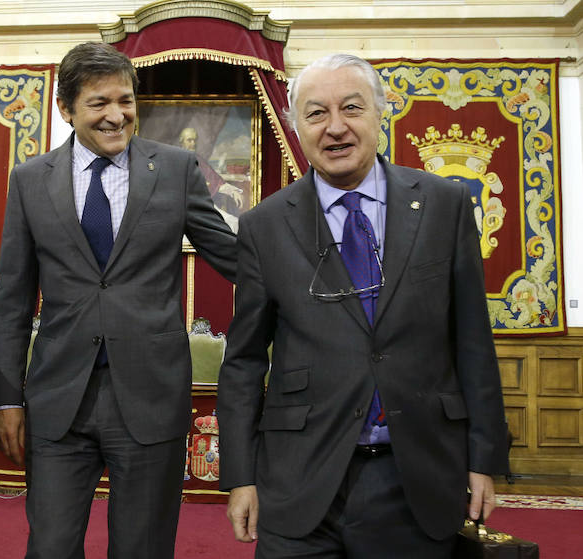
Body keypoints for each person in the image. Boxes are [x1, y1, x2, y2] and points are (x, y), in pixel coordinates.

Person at [217, 53, 509, 558]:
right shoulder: (264, 226)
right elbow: (243, 363)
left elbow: (473, 343)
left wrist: (484, 458)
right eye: (315, 114)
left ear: (380, 112)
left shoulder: (444, 205)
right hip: (299, 479)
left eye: (351, 108)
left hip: (416, 473)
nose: (335, 128)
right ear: (296, 127)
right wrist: (241, 477)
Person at [0, 41, 237, 559]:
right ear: (67, 109)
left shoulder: (175, 168)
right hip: (59, 403)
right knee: (50, 548)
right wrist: (7, 398)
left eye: (125, 100)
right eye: (99, 103)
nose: (116, 115)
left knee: (143, 548)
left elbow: (233, 256)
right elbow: (11, 300)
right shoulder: (31, 182)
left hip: (150, 396)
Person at [177, 126, 244, 230]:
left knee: (234, 224)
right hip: (180, 209)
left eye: (195, 140)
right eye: (189, 140)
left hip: (203, 206)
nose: (193, 143)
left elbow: (215, 181)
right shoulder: (174, 160)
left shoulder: (198, 160)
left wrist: (233, 192)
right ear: (181, 142)